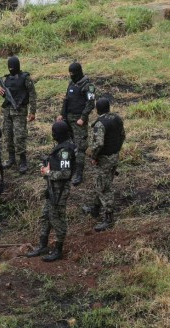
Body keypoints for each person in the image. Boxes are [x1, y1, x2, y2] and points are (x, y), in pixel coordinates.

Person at [27, 122, 76, 262]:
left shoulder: (65, 150)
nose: (53, 134)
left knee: (57, 219)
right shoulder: (61, 147)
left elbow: (65, 173)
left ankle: (58, 250)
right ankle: (42, 245)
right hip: (52, 188)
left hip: (59, 191)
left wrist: (48, 173)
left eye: (54, 132)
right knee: (45, 217)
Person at [82, 98, 125, 231]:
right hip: (114, 156)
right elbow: (122, 136)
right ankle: (95, 208)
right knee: (101, 183)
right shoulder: (117, 118)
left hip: (104, 159)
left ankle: (108, 218)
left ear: (97, 110)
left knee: (104, 188)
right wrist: (116, 150)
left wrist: (92, 155)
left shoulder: (100, 124)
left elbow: (99, 144)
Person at [57, 62, 96, 186]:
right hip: (68, 119)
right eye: (69, 73)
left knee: (80, 147)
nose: (71, 75)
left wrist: (83, 118)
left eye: (72, 73)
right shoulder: (71, 83)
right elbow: (66, 100)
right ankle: (68, 168)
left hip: (79, 121)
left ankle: (79, 173)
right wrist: (61, 114)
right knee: (67, 144)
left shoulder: (88, 85)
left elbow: (91, 103)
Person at [0, 56, 37, 174]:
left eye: (12, 67)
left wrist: (32, 111)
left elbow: (32, 94)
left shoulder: (25, 77)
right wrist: (0, 90)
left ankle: (23, 161)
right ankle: (11, 158)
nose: (10, 69)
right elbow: (4, 92)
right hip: (7, 111)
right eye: (9, 67)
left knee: (19, 136)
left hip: (19, 111)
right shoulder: (7, 79)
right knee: (8, 134)